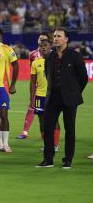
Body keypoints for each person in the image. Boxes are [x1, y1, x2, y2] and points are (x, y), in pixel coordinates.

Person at [36, 28, 88, 169]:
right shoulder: (50, 57)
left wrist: (74, 92)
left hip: (70, 98)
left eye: (59, 36)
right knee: (47, 128)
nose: (56, 38)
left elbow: (83, 78)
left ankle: (68, 160)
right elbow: (48, 75)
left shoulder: (75, 56)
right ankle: (48, 159)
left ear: (66, 39)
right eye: (54, 36)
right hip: (53, 97)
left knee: (69, 129)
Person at [17, 32, 50, 139]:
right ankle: (26, 132)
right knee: (32, 107)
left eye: (44, 40)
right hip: (38, 86)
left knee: (49, 114)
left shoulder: (53, 54)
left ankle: (52, 139)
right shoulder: (32, 54)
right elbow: (33, 73)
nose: (42, 41)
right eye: (40, 39)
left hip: (50, 89)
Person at [30, 39, 60, 151]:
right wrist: (32, 98)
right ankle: (47, 144)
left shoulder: (56, 60)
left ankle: (55, 145)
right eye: (40, 46)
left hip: (53, 95)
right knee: (42, 121)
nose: (42, 47)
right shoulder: (35, 62)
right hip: (39, 96)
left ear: (50, 46)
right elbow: (33, 82)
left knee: (54, 120)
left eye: (45, 45)